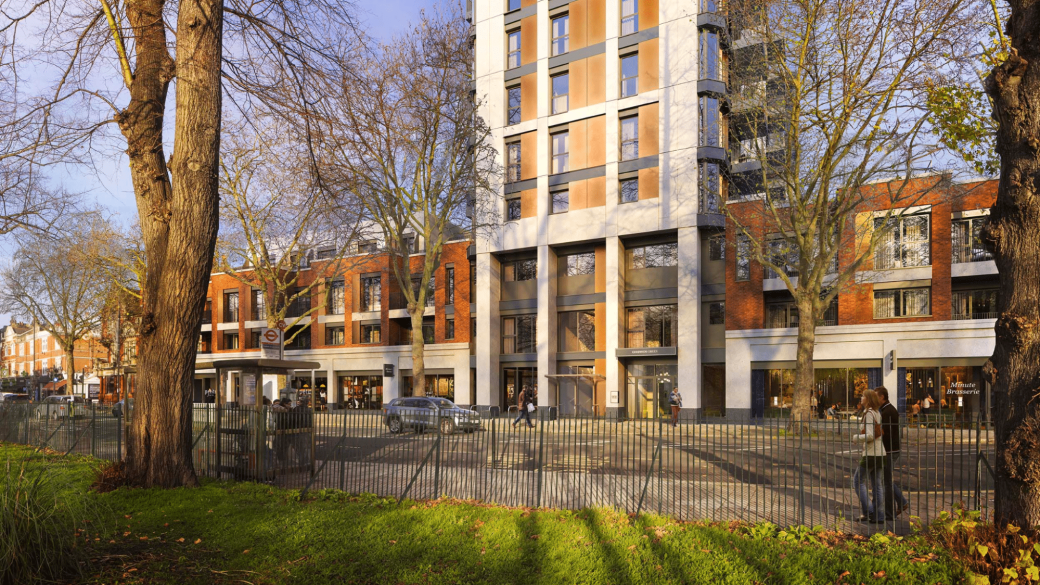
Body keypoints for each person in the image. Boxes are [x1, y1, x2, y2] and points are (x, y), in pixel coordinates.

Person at [852, 389, 886, 523]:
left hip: (871, 454)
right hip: (880, 453)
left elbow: (871, 435)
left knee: (857, 481)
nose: (861, 398)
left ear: (869, 399)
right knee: (877, 485)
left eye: (863, 396)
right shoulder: (877, 413)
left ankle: (870, 511)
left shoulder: (869, 414)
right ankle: (880, 516)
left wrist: (856, 437)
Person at [876, 386, 909, 520]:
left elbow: (885, 432)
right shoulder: (886, 410)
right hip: (889, 449)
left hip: (889, 450)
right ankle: (901, 501)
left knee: (887, 482)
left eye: (875, 396)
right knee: (886, 479)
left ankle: (890, 513)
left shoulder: (888, 411)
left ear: (882, 397)